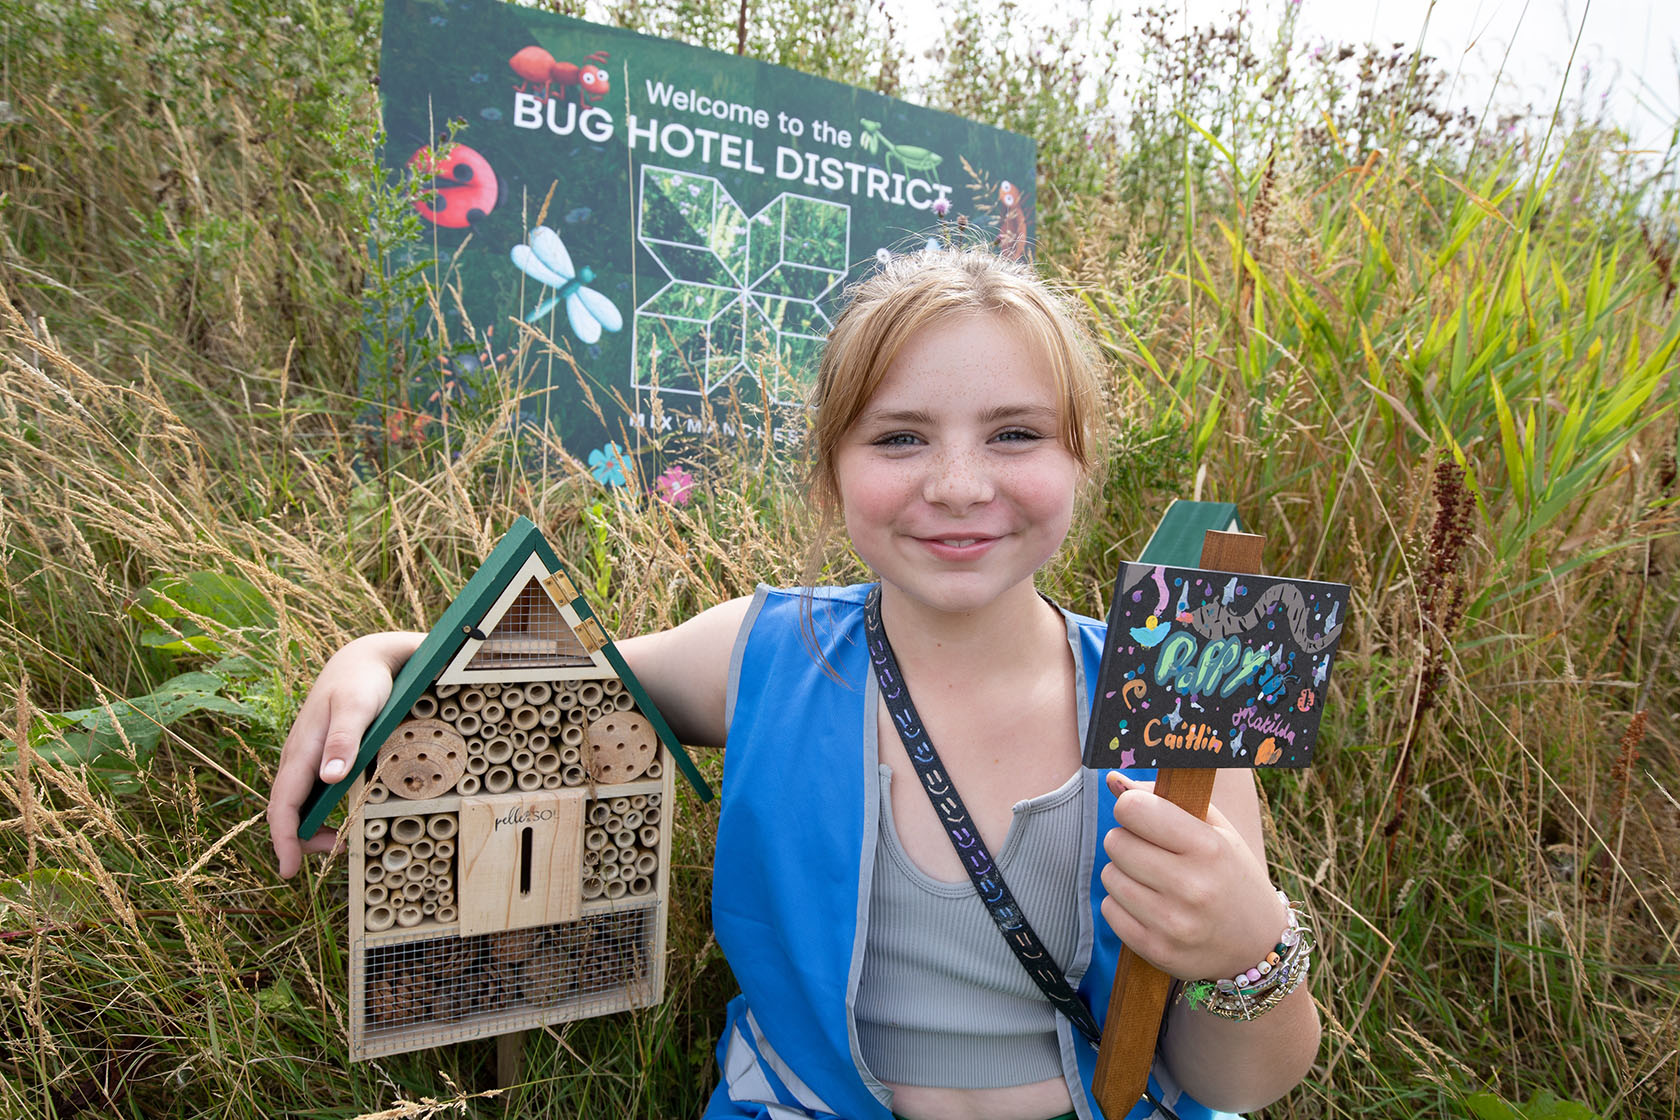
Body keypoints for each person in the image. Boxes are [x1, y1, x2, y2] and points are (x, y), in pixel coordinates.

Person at [267, 248, 1321, 1120]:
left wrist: (1250, 946)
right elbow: (551, 681)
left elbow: (1240, 1080)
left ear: (1082, 462)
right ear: (832, 472)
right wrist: (383, 656)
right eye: (900, 436)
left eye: (1016, 433)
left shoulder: (1176, 698)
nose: (959, 485)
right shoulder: (763, 655)